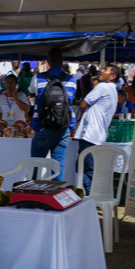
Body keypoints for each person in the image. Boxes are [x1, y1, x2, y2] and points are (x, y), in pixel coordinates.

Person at [28, 48, 76, 181]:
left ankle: (34, 196)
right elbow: (70, 102)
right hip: (63, 127)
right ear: (62, 62)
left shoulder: (38, 78)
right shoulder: (72, 80)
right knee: (57, 166)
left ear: (47, 62)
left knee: (36, 165)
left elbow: (32, 94)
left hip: (42, 126)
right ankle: (55, 196)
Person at [73, 65, 120, 193]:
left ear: (112, 76)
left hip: (90, 134)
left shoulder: (102, 87)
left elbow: (83, 104)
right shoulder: (113, 90)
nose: (101, 71)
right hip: (97, 134)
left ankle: (92, 196)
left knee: (85, 167)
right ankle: (92, 195)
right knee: (86, 166)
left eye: (105, 70)